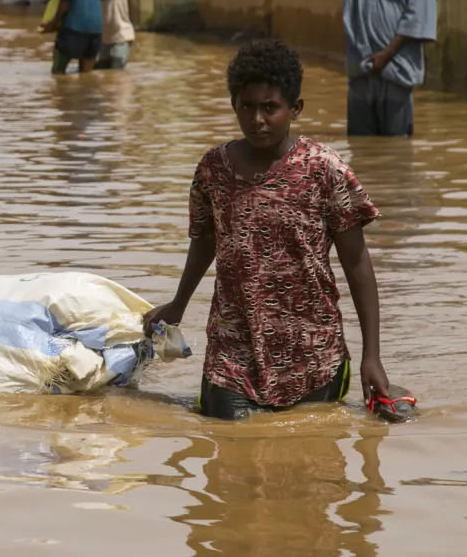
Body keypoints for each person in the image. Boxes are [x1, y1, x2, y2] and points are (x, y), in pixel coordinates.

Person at [143, 40, 392, 421]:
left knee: (312, 468)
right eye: (247, 107)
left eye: (270, 108)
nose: (257, 119)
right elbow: (204, 242)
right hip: (232, 355)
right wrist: (178, 304)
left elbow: (357, 264)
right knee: (228, 462)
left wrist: (371, 355)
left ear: (295, 108)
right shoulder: (213, 170)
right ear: (234, 106)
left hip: (313, 357)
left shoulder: (325, 170)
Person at [317, 0, 436, 137]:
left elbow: (418, 14)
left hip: (396, 73)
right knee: (360, 153)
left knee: (396, 154)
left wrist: (387, 54)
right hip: (360, 74)